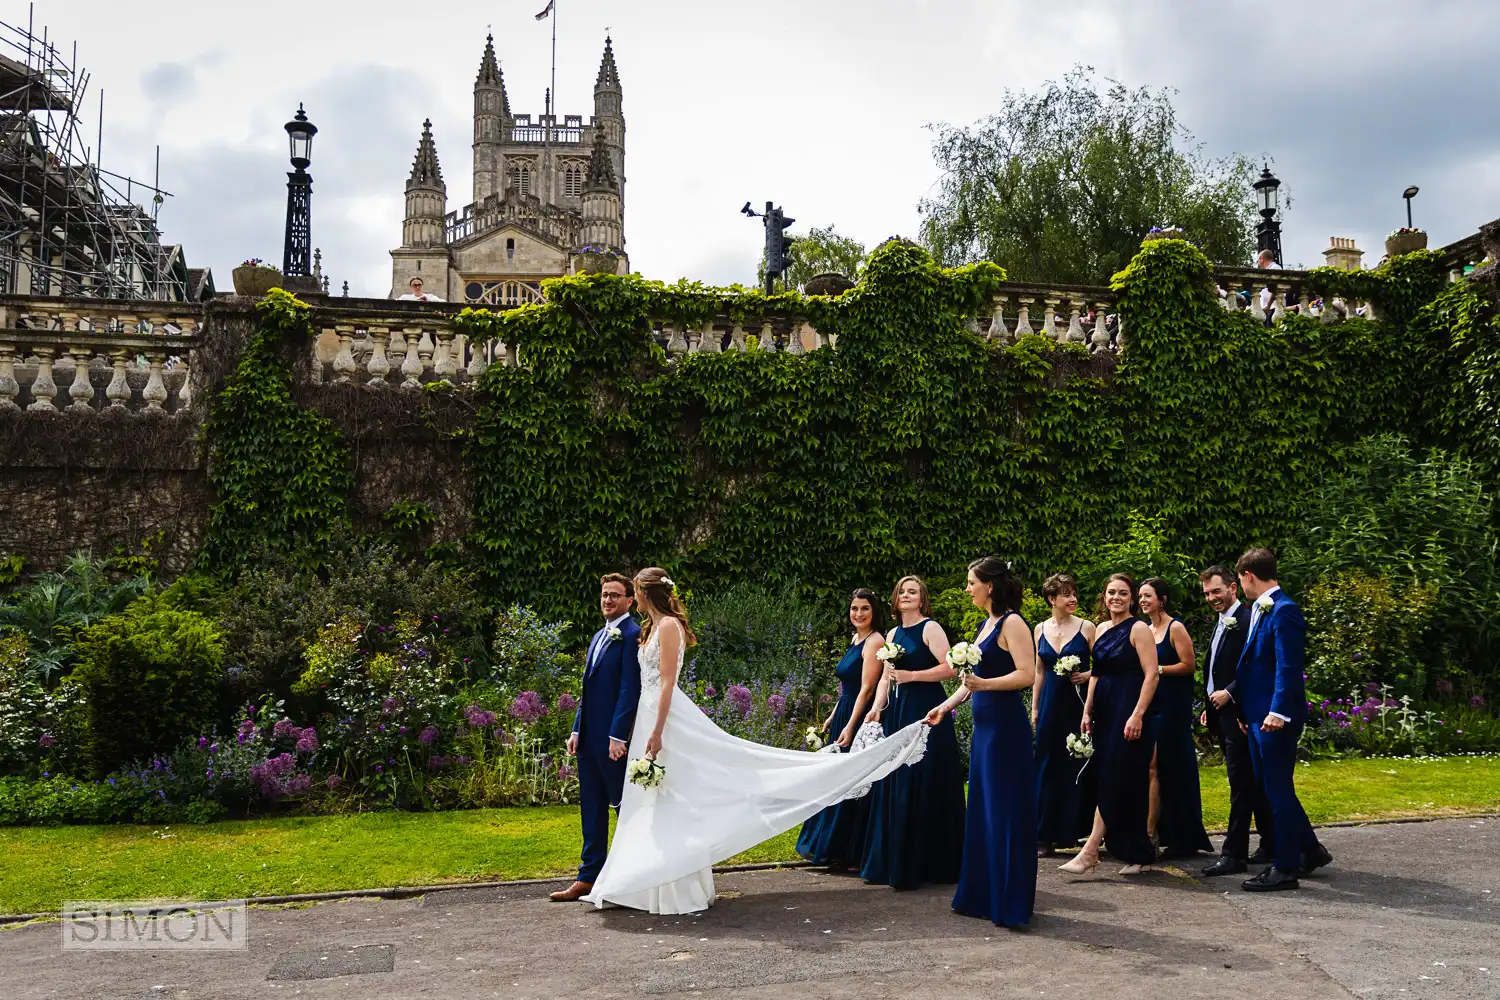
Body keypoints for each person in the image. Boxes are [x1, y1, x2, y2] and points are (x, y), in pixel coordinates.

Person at [581, 568, 931, 914]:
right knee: (652, 796)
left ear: (644, 593)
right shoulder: (651, 627)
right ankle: (643, 881)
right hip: (646, 714)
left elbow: (669, 683)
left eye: (637, 591)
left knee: (674, 793)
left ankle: (672, 886)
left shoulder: (669, 627)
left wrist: (657, 732)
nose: (632, 598)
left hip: (664, 717)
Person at [926, 557, 1037, 927]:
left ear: (990, 585)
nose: (968, 588)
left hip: (1006, 730)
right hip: (985, 730)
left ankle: (1010, 901)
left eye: (972, 582)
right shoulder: (984, 625)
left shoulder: (1013, 622)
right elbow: (968, 681)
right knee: (984, 811)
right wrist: (944, 706)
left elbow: (1026, 674)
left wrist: (985, 685)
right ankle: (981, 895)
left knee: (1005, 811)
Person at [1234, 549, 1333, 892]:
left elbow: (1288, 667)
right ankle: (1310, 849)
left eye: (1240, 580)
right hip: (1256, 716)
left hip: (1275, 719)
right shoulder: (1261, 609)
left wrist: (1278, 712)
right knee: (1271, 787)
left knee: (1277, 791)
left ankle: (1286, 868)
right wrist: (1245, 712)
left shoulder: (1284, 610)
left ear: (1248, 575)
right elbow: (1254, 667)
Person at [860, 575, 967, 889]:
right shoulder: (892, 632)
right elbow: (885, 679)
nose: (906, 595)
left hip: (926, 711)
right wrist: (877, 707)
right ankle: (896, 862)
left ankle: (932, 865)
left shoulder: (930, 628)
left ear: (922, 600)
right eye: (902, 592)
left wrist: (912, 675)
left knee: (923, 781)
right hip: (897, 712)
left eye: (913, 592)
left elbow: (951, 669)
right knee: (897, 780)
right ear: (895, 600)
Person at [1059, 573, 1159, 875]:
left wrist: (1138, 714)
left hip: (1129, 710)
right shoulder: (1100, 629)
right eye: (1111, 592)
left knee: (1119, 778)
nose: (1116, 598)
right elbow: (1097, 674)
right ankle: (1135, 851)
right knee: (1108, 778)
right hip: (1104, 711)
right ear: (1104, 596)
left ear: (1131, 599)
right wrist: (1087, 711)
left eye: (1123, 593)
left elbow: (1152, 675)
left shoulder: (1139, 628)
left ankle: (1091, 850)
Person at [550, 573, 642, 902]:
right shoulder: (597, 636)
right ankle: (589, 875)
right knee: (591, 806)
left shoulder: (632, 635)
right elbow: (587, 690)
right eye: (605, 595)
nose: (608, 600)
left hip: (614, 742)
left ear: (630, 600)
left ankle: (635, 874)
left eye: (615, 595)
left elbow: (630, 689)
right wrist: (577, 728)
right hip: (588, 739)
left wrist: (618, 734)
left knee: (623, 807)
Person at [796, 588, 887, 869]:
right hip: (845, 710)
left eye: (865, 609)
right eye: (854, 609)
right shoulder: (855, 639)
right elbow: (846, 688)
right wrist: (833, 715)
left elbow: (868, 688)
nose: (858, 614)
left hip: (859, 715)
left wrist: (850, 725)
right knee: (837, 779)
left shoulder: (874, 641)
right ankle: (830, 846)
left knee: (852, 781)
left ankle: (847, 849)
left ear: (874, 612)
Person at [1197, 564, 1275, 877]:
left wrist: (1229, 695)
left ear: (1232, 587)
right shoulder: (1222, 621)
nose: (1212, 598)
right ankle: (1272, 844)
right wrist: (1210, 704)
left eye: (1216, 591)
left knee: (1241, 784)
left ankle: (1233, 855)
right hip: (1224, 713)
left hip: (1241, 714)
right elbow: (1218, 666)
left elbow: (1253, 667)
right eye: (1206, 593)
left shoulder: (1246, 620)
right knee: (1251, 784)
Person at [1139, 578, 1211, 859]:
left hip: (1171, 707)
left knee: (1167, 765)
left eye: (1148, 596)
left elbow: (1188, 665)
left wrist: (1158, 669)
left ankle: (1177, 834)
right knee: (1152, 768)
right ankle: (1158, 830)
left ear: (1162, 599)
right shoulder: (1144, 629)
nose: (1143, 601)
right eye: (1141, 596)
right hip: (1151, 703)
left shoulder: (1175, 627)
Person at [1032, 573, 1096, 856]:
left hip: (1078, 704)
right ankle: (1043, 835)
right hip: (1049, 705)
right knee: (1046, 767)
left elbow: (1106, 665)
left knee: (1077, 764)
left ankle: (1075, 831)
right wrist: (1034, 708)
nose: (1073, 599)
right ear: (1051, 599)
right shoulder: (1039, 629)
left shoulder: (1087, 627)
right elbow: (1038, 671)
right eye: (1066, 594)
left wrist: (1087, 674)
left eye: (1074, 593)